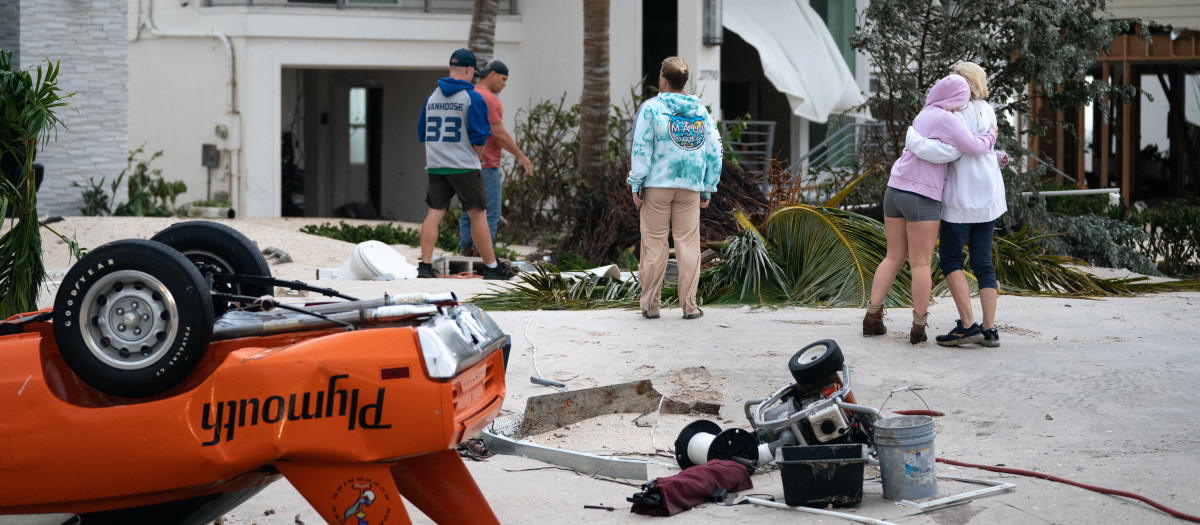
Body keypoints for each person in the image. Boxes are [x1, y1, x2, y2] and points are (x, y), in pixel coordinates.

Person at [862, 74, 997, 344]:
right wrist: (991, 137)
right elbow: (971, 146)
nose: (964, 105)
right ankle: (918, 328)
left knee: (892, 257)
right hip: (921, 196)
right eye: (962, 99)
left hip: (894, 190)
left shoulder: (923, 114)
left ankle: (872, 319)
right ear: (957, 98)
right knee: (921, 263)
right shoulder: (948, 119)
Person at [905, 62, 1009, 347]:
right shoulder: (987, 110)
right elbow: (982, 147)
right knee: (983, 263)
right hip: (989, 196)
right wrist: (995, 151)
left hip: (960, 197)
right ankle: (989, 329)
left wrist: (913, 139)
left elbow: (949, 152)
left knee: (950, 259)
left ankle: (967, 325)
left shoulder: (949, 113)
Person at [627, 57, 722, 320]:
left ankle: (651, 306)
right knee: (688, 245)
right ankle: (689, 306)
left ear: (663, 79)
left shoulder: (651, 109)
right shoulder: (701, 111)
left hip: (657, 185)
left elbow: (641, 148)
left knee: (655, 244)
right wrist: (708, 187)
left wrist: (637, 181)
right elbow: (715, 151)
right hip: (690, 187)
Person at [416, 48, 515, 280]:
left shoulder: (431, 98)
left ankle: (425, 266)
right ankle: (491, 267)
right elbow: (480, 136)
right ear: (470, 70)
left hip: (436, 165)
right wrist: (476, 157)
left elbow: (422, 133)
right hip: (463, 165)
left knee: (434, 212)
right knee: (478, 215)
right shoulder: (472, 97)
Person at [458, 59, 534, 257]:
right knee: (489, 213)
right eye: (503, 78)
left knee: (468, 212)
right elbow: (497, 132)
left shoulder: (468, 95)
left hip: (464, 165)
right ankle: (482, 255)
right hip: (486, 165)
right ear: (491, 74)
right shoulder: (489, 99)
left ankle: (466, 250)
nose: (505, 84)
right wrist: (521, 155)